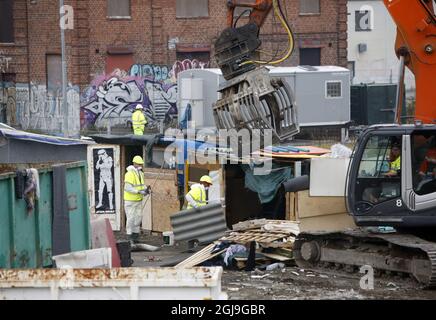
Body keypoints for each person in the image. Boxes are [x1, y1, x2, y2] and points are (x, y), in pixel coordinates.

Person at [124, 156, 151, 243]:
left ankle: (135, 237)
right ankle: (129, 237)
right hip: (130, 200)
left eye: (141, 164)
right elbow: (128, 188)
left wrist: (146, 189)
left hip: (138, 200)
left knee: (138, 218)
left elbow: (141, 185)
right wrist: (139, 192)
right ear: (134, 164)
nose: (141, 166)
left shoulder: (140, 173)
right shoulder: (129, 174)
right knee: (131, 218)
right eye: (139, 164)